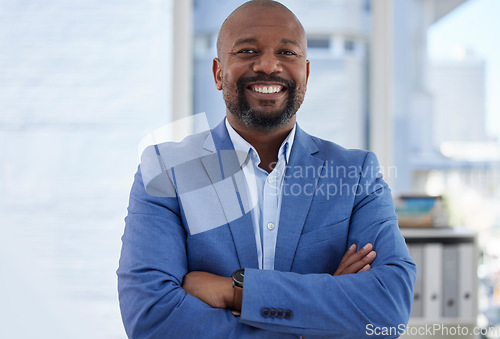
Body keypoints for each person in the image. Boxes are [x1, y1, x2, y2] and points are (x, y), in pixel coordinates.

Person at [117, 1, 416, 338]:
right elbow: (152, 319)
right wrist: (320, 313)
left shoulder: (356, 173)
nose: (268, 65)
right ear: (218, 73)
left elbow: (387, 309)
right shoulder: (166, 170)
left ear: (306, 72)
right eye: (247, 51)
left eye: (287, 53)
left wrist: (236, 291)